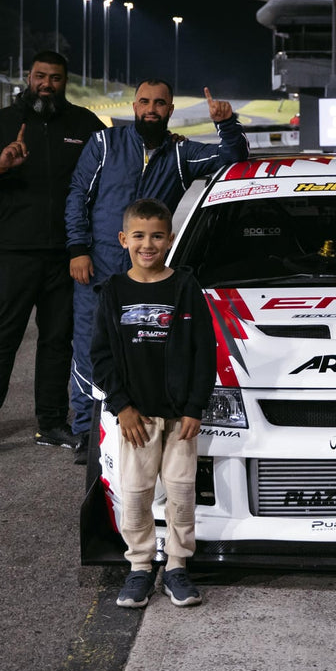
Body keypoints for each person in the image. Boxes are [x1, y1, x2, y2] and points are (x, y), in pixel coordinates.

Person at [66, 80, 247, 464]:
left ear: (170, 110)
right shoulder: (104, 144)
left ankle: (140, 421)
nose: (151, 109)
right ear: (134, 106)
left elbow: (232, 158)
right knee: (87, 350)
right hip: (98, 269)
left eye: (160, 103)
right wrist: (78, 249)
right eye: (145, 102)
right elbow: (78, 195)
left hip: (148, 276)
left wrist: (226, 123)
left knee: (143, 352)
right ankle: (86, 431)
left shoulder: (181, 153)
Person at [0, 51, 106, 460]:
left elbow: (111, 169)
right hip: (14, 254)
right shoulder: (2, 122)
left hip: (67, 256)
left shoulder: (85, 124)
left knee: (57, 343)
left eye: (55, 78)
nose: (47, 85)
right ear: (28, 76)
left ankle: (51, 423)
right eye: (40, 76)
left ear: (65, 81)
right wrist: (0, 165)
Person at [90, 199, 216, 608]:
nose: (148, 244)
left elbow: (204, 351)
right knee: (136, 493)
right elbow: (101, 356)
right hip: (136, 417)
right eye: (140, 236)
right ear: (124, 239)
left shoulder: (185, 287)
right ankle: (140, 567)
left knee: (181, 492)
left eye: (157, 236)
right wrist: (122, 406)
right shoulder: (113, 291)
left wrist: (195, 406)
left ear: (170, 240)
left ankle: (177, 565)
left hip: (180, 417)